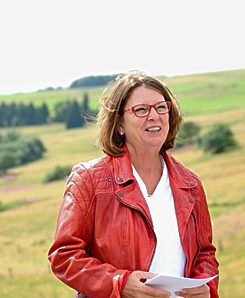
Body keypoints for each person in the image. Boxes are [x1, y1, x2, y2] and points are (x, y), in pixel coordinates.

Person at [48, 71, 219, 297]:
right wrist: (119, 283)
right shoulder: (89, 179)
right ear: (119, 124)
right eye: (141, 110)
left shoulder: (190, 184)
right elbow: (64, 255)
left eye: (161, 107)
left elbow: (205, 254)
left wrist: (204, 287)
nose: (154, 116)